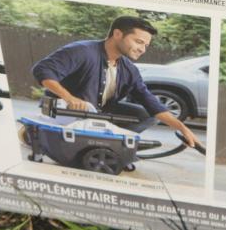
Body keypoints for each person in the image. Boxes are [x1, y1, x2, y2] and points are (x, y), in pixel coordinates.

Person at [32, 15, 203, 149]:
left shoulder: (129, 69)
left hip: (96, 113)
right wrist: (70, 98)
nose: (142, 49)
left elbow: (151, 102)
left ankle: (110, 145)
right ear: (117, 34)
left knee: (145, 115)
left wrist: (182, 128)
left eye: (146, 45)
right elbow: (43, 70)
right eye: (139, 42)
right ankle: (78, 142)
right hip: (62, 110)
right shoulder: (82, 51)